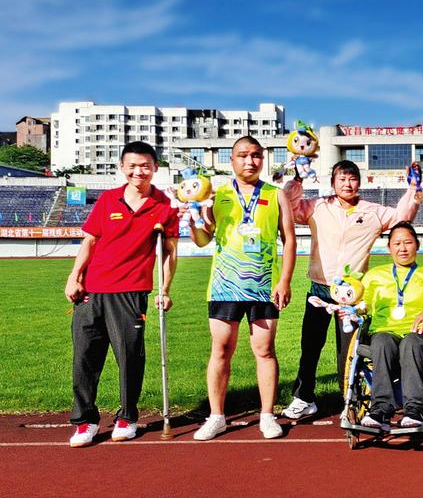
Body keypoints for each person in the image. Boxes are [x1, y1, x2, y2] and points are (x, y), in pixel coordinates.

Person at [282, 160, 421, 420]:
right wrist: (298, 180)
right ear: (333, 182)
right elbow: (287, 206)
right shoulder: (317, 206)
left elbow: (402, 218)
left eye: (352, 179)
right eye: (342, 179)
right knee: (310, 347)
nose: (347, 184)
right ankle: (304, 398)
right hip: (320, 290)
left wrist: (413, 189)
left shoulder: (372, 212)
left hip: (353, 295)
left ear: (360, 182)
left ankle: (351, 401)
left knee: (350, 352)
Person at [64, 141, 179, 447]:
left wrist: (164, 290)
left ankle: (127, 417)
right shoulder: (108, 200)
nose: (139, 171)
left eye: (145, 166)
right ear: (122, 168)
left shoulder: (164, 206)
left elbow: (169, 252)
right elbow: (89, 241)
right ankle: (85, 420)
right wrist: (74, 277)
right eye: (132, 166)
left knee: (129, 357)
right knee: (85, 358)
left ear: (155, 168)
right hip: (92, 291)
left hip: (131, 291)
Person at [190, 136, 296, 441]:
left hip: (264, 286)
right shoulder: (216, 194)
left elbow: (289, 239)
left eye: (256, 155)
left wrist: (285, 280)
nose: (250, 161)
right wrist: (194, 219)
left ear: (262, 159)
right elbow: (203, 239)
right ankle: (216, 417)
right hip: (225, 286)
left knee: (265, 350)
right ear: (232, 160)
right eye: (243, 155)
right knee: (221, 350)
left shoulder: (276, 195)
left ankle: (267, 415)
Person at [359, 222, 423, 429]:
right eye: (397, 244)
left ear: (417, 245)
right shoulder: (374, 276)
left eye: (408, 243)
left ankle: (415, 409)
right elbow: (362, 306)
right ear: (389, 248)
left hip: (420, 332)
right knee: (381, 343)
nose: (402, 248)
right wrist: (353, 309)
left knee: (411, 344)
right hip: (385, 331)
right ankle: (380, 409)